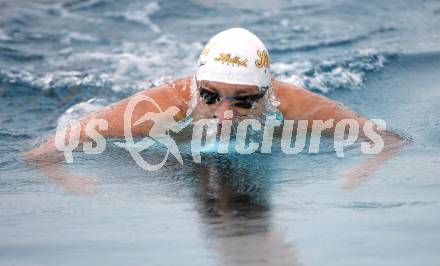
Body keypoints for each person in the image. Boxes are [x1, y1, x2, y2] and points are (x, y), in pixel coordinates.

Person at [25, 28, 405, 186]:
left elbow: (390, 140)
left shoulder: (295, 106)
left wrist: (363, 170)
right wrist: (68, 179)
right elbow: (45, 149)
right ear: (195, 88)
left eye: (243, 101)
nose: (225, 115)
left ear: (267, 94)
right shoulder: (157, 110)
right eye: (210, 96)